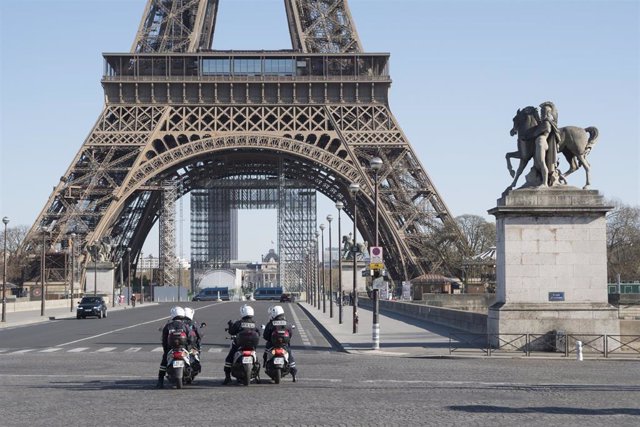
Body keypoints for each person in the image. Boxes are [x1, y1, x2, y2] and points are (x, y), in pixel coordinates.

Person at [223, 304, 259, 385]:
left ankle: (227, 378)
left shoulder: (239, 323)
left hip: (239, 346)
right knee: (256, 359)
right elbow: (259, 333)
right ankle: (257, 375)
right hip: (251, 347)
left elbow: (231, 331)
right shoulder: (254, 324)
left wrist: (230, 324)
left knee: (229, 358)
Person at [156, 306, 190, 389]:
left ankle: (160, 381)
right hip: (182, 348)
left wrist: (165, 349)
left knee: (163, 364)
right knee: (190, 359)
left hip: (170, 348)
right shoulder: (185, 326)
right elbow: (190, 337)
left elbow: (164, 339)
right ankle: (189, 374)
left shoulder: (168, 326)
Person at [262, 305, 297, 382]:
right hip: (284, 345)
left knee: (266, 352)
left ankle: (265, 363)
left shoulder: (271, 323)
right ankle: (294, 373)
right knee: (290, 355)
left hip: (272, 345)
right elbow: (290, 334)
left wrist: (270, 340)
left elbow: (265, 336)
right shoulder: (287, 323)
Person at [533, 101, 562, 187]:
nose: (541, 114)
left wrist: (536, 118)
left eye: (542, 112)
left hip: (541, 142)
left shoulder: (546, 123)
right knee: (540, 163)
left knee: (542, 163)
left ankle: (544, 183)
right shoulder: (548, 122)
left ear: (546, 112)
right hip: (541, 142)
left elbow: (535, 133)